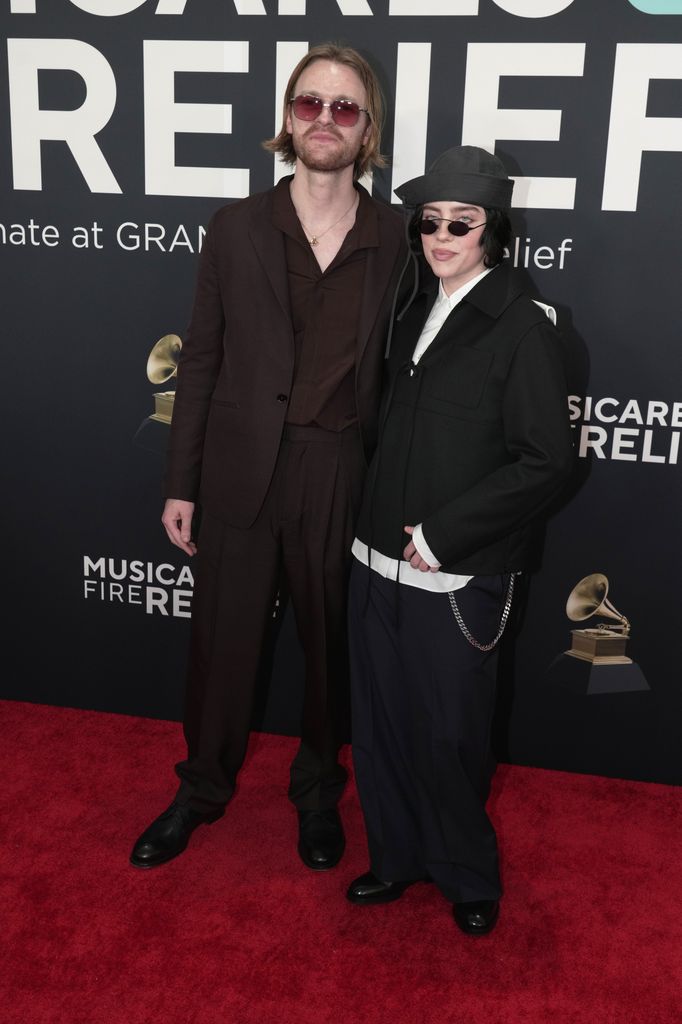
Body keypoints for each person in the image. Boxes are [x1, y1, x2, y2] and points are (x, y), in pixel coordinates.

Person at [130, 45, 406, 873]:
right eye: (309, 104)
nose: (325, 120)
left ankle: (318, 795)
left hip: (337, 471)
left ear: (366, 130)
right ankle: (200, 789)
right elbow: (202, 363)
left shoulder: (396, 237)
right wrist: (182, 482)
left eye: (345, 108)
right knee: (222, 646)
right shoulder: (235, 227)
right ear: (288, 117)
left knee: (328, 649)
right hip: (240, 472)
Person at [345, 146, 574, 934]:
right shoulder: (411, 308)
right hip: (373, 562)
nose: (442, 236)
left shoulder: (523, 325)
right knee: (377, 725)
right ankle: (395, 856)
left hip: (456, 574)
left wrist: (444, 535)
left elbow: (546, 461)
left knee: (449, 732)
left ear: (493, 230)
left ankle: (465, 872)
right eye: (430, 222)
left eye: (461, 224)